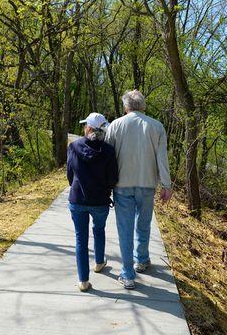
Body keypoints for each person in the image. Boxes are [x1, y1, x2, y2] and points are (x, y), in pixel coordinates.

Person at [105, 90, 172, 290]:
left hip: (121, 184)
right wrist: (166, 185)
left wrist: (106, 185)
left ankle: (127, 274)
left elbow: (108, 159)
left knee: (124, 229)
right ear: (143, 106)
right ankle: (141, 260)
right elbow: (162, 158)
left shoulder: (116, 125)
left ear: (126, 107)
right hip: (147, 183)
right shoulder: (156, 126)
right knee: (143, 224)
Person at [67, 112, 118, 292]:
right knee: (99, 230)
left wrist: (77, 188)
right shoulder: (109, 151)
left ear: (87, 128)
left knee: (81, 239)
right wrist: (106, 189)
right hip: (100, 201)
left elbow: (69, 174)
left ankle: (83, 280)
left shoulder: (73, 146)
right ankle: (98, 262)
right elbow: (113, 178)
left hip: (77, 199)